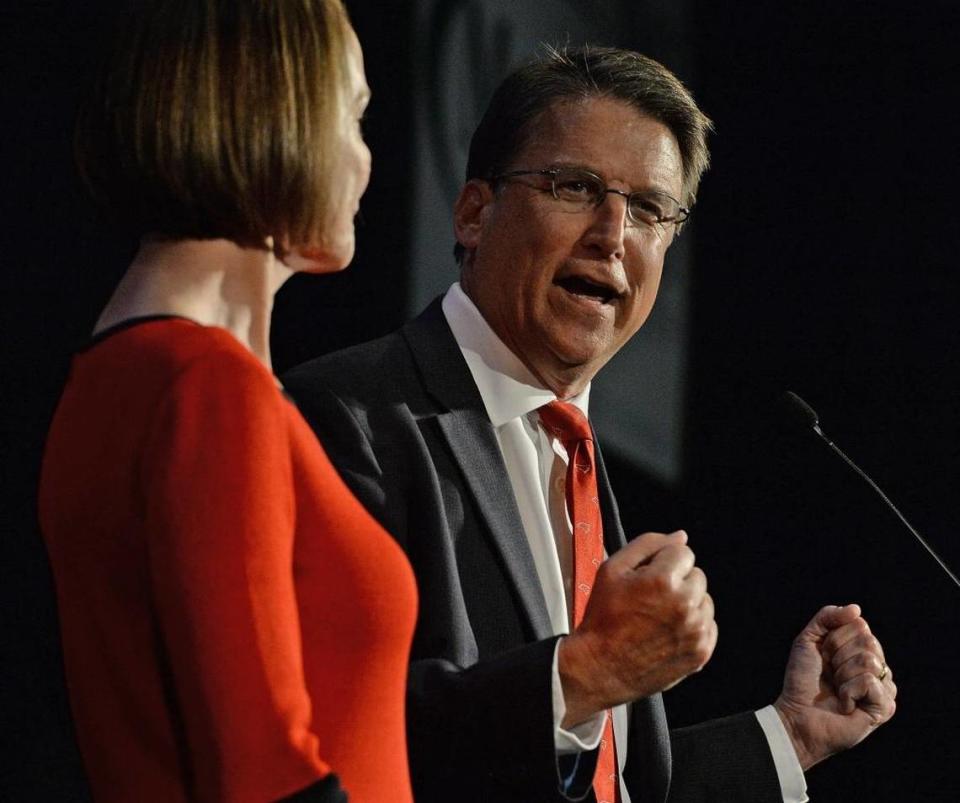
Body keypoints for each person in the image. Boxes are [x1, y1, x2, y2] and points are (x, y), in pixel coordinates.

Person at [282, 45, 896, 803]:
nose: (613, 234)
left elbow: (608, 783)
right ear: (475, 212)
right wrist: (586, 673)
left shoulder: (573, 457)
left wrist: (791, 735)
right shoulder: (346, 418)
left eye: (647, 210)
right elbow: (333, 746)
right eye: (574, 187)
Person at [37, 2, 417, 801]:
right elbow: (265, 775)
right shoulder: (205, 387)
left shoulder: (125, 375)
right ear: (278, 114)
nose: (365, 162)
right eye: (353, 117)